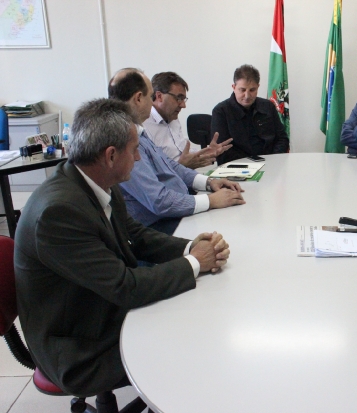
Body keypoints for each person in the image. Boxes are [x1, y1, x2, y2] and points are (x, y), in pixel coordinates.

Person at [14, 98, 231, 397]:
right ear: (111, 155)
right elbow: (125, 286)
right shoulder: (57, 213)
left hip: (97, 310)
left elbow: (135, 235)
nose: (140, 159)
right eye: (135, 150)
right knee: (194, 342)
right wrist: (195, 263)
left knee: (198, 314)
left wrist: (191, 246)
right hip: (78, 350)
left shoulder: (94, 179)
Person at [109, 68, 245, 236]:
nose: (152, 103)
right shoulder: (123, 140)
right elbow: (159, 201)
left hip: (174, 211)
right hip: (156, 227)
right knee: (231, 230)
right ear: (138, 98)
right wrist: (210, 201)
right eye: (150, 96)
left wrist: (208, 182)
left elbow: (169, 164)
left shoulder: (137, 130)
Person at [211, 64, 290, 164]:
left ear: (258, 87)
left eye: (252, 90)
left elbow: (282, 138)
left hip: (270, 163)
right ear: (234, 87)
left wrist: (273, 160)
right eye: (242, 90)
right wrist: (253, 163)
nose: (247, 96)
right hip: (237, 167)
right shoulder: (221, 111)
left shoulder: (268, 106)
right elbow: (221, 149)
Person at [143, 71, 213, 169]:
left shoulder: (172, 117)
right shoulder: (144, 125)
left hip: (187, 178)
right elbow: (152, 173)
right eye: (179, 98)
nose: (183, 105)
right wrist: (181, 167)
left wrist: (206, 152)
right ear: (159, 96)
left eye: (184, 99)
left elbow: (180, 152)